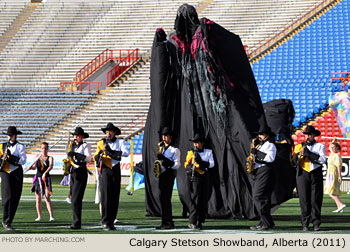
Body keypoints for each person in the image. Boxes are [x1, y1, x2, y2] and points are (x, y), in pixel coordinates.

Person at [94, 123, 129, 231]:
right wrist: (100, 153)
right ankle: (105, 221)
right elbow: (95, 157)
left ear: (114, 133)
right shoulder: (101, 143)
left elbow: (126, 153)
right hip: (105, 169)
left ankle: (112, 221)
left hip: (115, 169)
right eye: (107, 132)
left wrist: (112, 152)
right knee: (105, 196)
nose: (108, 134)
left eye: (110, 131)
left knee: (115, 196)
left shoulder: (120, 142)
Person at [293, 125, 326, 231]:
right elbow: (293, 162)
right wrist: (298, 155)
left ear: (314, 135)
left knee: (316, 199)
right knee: (304, 199)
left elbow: (322, 160)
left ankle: (316, 223)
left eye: (310, 134)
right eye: (306, 134)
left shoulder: (320, 146)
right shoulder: (299, 146)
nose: (308, 136)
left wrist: (309, 154)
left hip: (315, 173)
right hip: (303, 174)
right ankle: (305, 223)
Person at [249, 126, 277, 231]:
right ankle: (265, 222)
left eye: (261, 134)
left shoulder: (270, 145)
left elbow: (270, 158)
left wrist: (257, 153)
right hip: (258, 171)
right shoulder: (260, 145)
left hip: (265, 170)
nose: (259, 136)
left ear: (267, 135)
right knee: (263, 198)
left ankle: (266, 222)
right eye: (259, 134)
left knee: (258, 196)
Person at [184, 133, 214, 230]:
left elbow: (211, 164)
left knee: (203, 199)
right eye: (194, 143)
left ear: (202, 143)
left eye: (197, 143)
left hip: (205, 177)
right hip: (194, 177)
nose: (195, 145)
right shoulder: (191, 152)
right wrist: (192, 166)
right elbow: (186, 165)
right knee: (195, 199)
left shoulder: (208, 152)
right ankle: (192, 221)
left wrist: (200, 162)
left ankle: (200, 220)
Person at [0, 126, 27, 231]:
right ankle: (6, 220)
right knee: (7, 198)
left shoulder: (21, 146)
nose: (9, 137)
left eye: (11, 135)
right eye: (8, 135)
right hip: (6, 172)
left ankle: (9, 220)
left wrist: (11, 158)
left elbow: (23, 160)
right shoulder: (2, 146)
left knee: (15, 197)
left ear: (15, 136)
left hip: (16, 172)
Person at [155, 127, 180, 229]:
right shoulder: (161, 148)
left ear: (170, 137)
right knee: (162, 199)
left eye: (166, 136)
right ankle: (165, 221)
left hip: (169, 175)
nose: (164, 138)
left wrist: (164, 159)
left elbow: (176, 165)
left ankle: (168, 222)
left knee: (166, 199)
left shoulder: (175, 150)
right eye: (163, 136)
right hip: (162, 174)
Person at [68, 127, 92, 229]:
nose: (76, 137)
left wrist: (76, 154)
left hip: (81, 171)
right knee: (74, 197)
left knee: (76, 198)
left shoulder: (86, 145)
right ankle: (76, 221)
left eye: (78, 136)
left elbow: (88, 158)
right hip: (73, 172)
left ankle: (77, 222)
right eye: (75, 136)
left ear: (82, 137)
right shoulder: (72, 146)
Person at [29, 142, 54, 222]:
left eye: (45, 148)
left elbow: (50, 166)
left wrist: (45, 173)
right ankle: (39, 216)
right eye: (42, 148)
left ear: (48, 149)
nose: (44, 150)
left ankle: (51, 216)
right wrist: (31, 167)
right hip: (38, 179)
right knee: (38, 198)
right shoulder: (37, 157)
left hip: (46, 179)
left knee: (47, 198)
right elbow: (34, 167)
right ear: (40, 149)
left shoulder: (50, 158)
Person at [324, 141, 346, 213]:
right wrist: (333, 141)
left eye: (334, 147)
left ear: (337, 148)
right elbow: (330, 145)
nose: (331, 147)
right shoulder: (331, 155)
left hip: (332, 173)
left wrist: (339, 175)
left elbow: (338, 166)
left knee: (330, 191)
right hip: (330, 172)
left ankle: (341, 204)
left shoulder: (337, 155)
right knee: (332, 190)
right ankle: (339, 207)